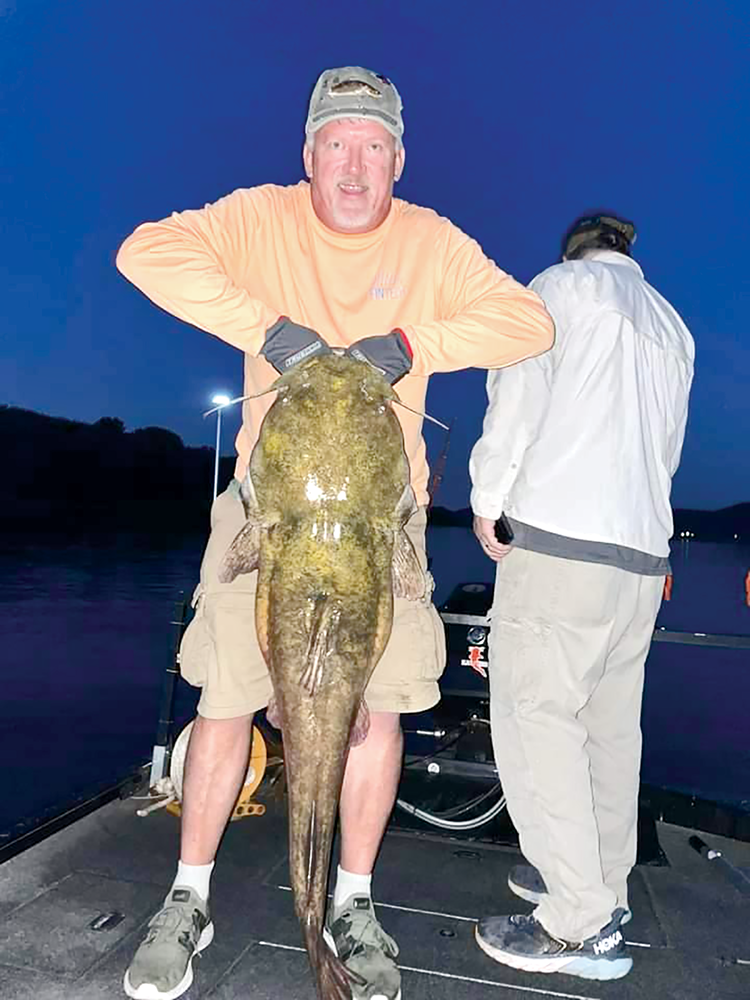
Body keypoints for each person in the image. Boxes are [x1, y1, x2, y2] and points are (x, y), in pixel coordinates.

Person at [116, 65, 554, 1000]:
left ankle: (348, 903)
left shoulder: (430, 240)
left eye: (373, 147)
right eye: (336, 144)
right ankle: (187, 897)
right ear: (306, 153)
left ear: (400, 159)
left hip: (378, 527)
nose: (354, 166)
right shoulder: (259, 217)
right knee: (224, 699)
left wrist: (411, 346)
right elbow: (144, 253)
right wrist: (269, 329)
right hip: (266, 513)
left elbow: (528, 321)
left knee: (378, 709)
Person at [469, 213, 694, 981]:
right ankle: (596, 881)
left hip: (563, 544)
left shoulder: (559, 289)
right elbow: (666, 450)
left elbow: (519, 398)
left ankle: (578, 926)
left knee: (537, 721)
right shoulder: (674, 326)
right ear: (626, 252)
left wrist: (487, 496)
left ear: (572, 251)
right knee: (607, 732)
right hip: (639, 558)